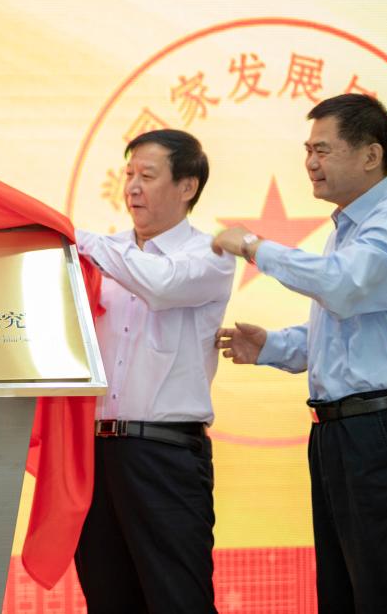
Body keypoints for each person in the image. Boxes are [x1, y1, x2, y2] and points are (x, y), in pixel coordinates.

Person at [213, 93, 387, 614]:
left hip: (386, 428)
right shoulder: (348, 231)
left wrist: (254, 246)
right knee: (343, 589)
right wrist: (273, 346)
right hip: (341, 430)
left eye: (323, 150)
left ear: (371, 155)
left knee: (385, 589)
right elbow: (351, 332)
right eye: (308, 150)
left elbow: (343, 287)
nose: (310, 162)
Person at [73, 129, 235, 613]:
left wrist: (74, 237)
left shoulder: (211, 254)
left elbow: (160, 285)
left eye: (147, 175)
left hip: (165, 454)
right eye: (129, 175)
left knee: (177, 599)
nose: (133, 187)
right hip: (96, 455)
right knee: (108, 596)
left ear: (187, 186)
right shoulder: (101, 255)